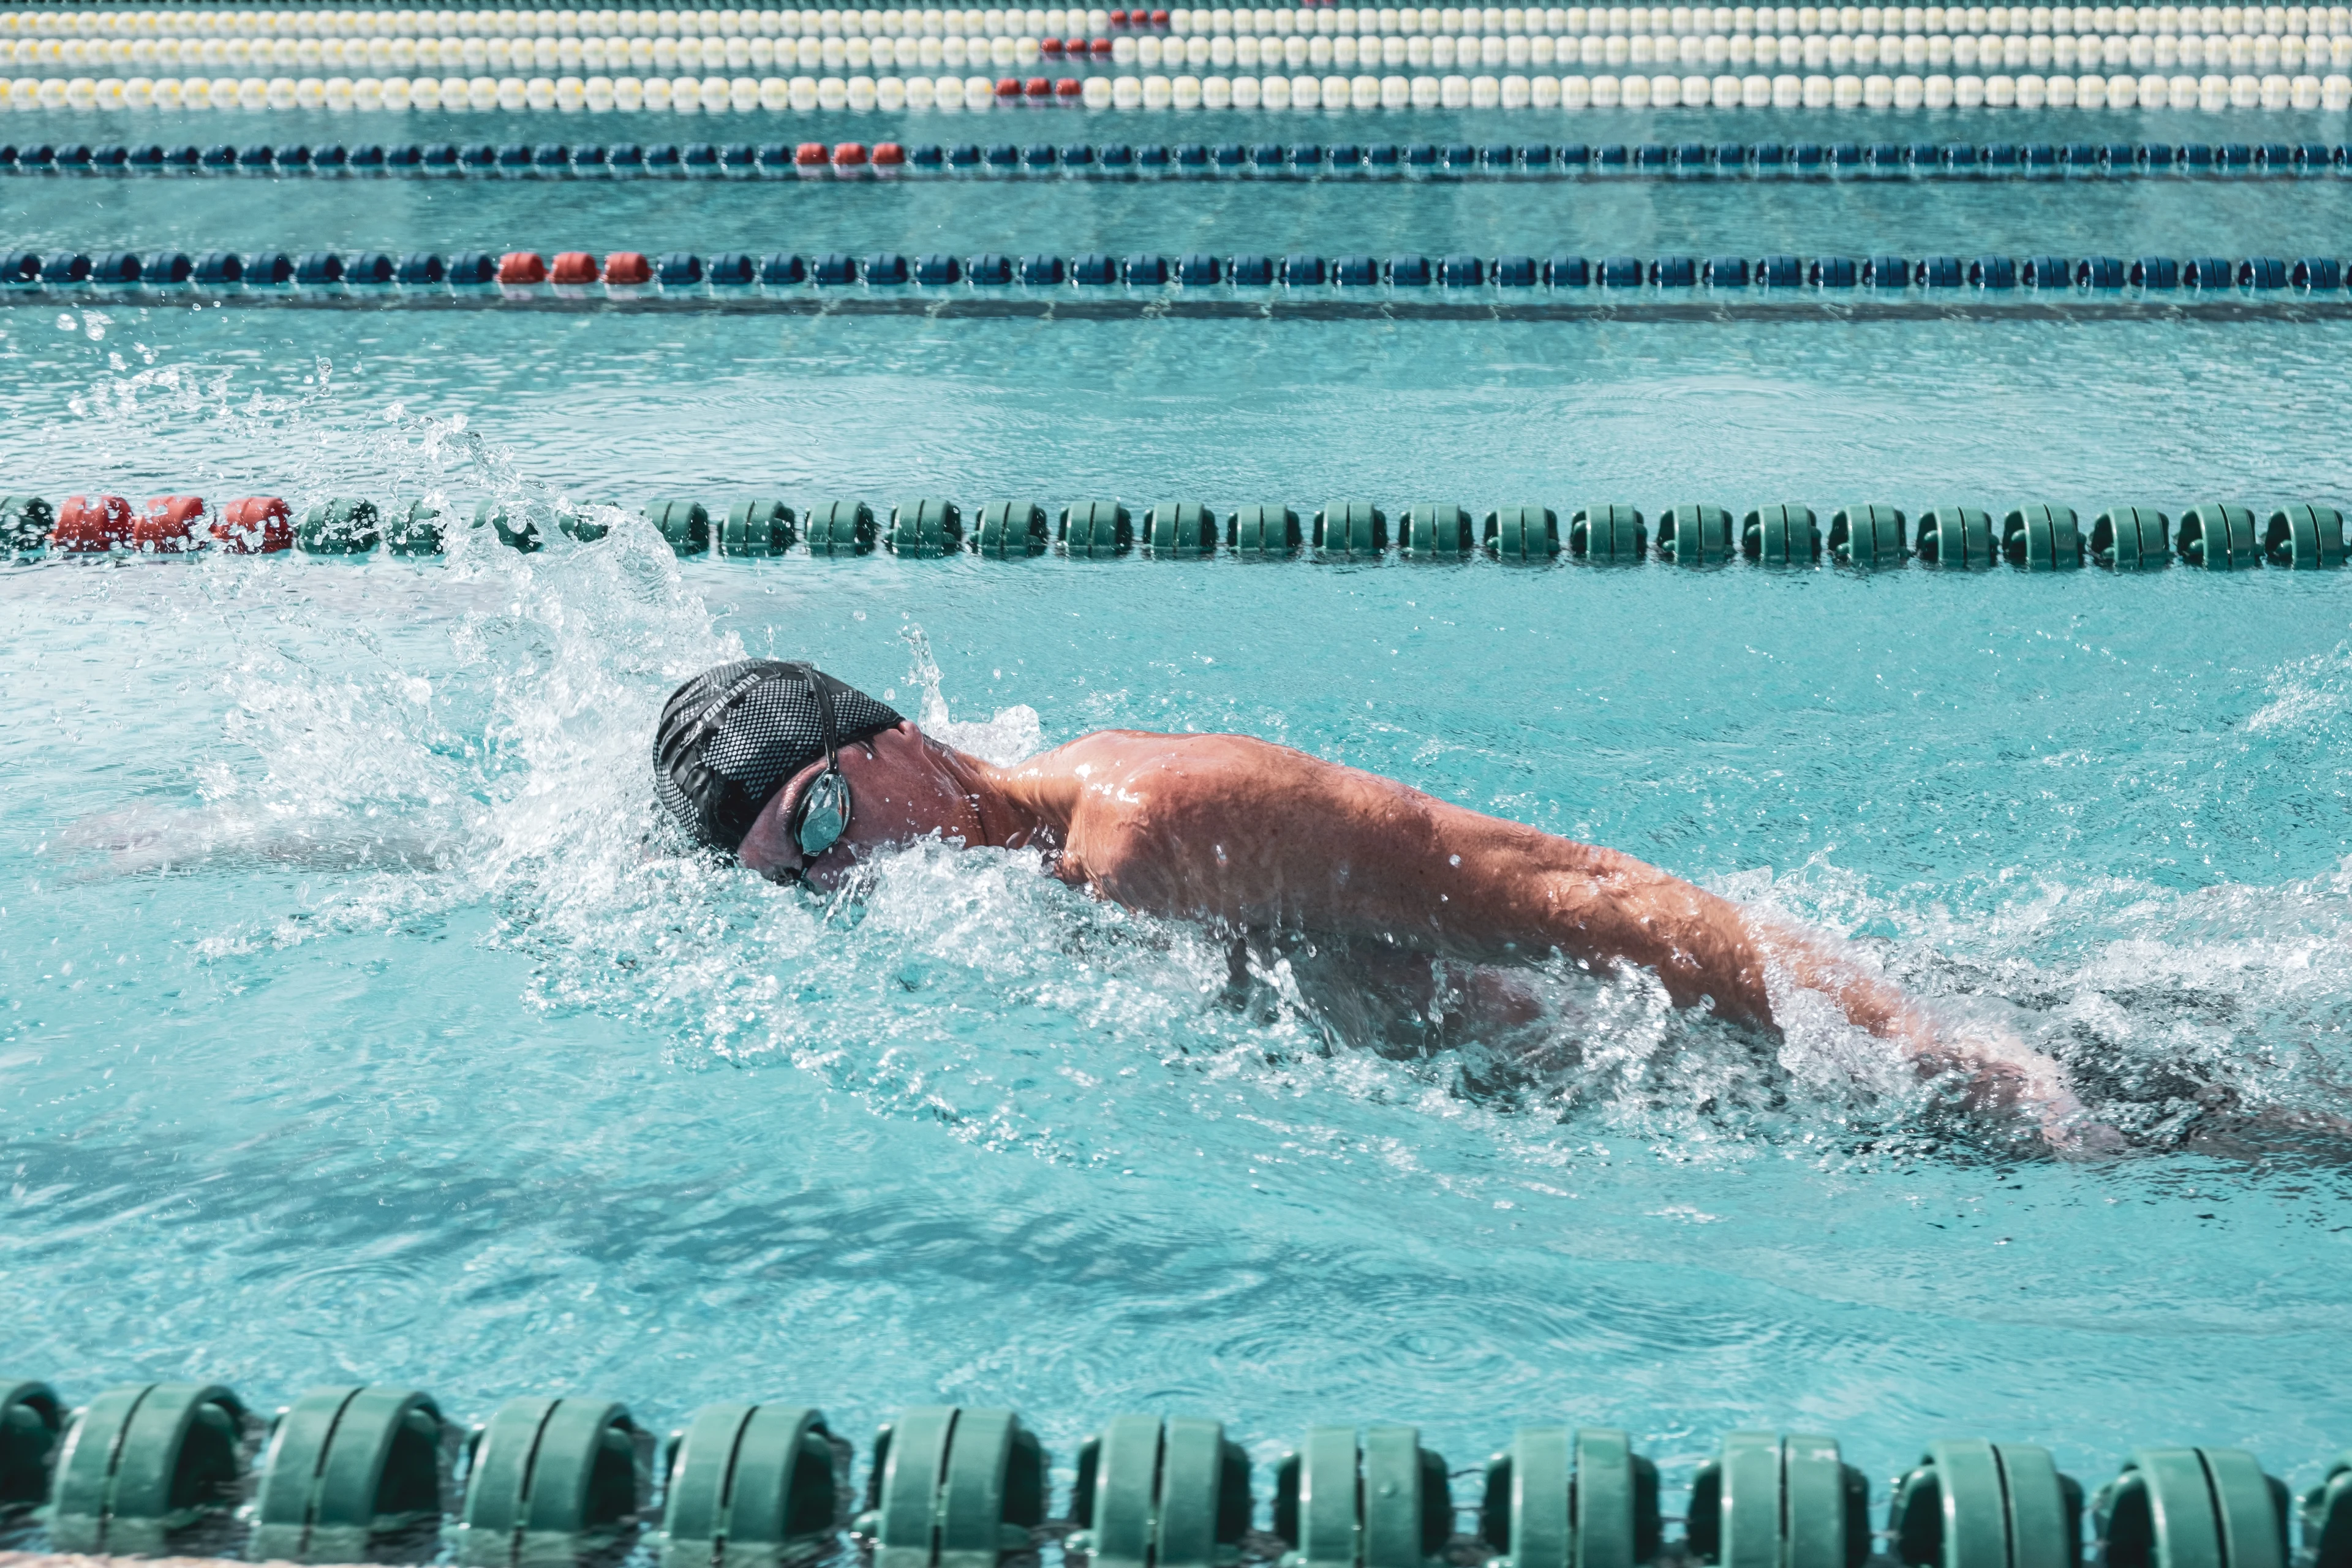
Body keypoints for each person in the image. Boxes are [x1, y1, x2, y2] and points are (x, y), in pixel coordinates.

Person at [654, 658, 2100, 1148]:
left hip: (1773, 1057)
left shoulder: (1160, 824)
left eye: (827, 816)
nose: (846, 876)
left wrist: (1929, 1038)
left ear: (900, 734)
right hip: (1628, 1076)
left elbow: (1582, 892)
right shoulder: (1010, 873)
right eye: (802, 881)